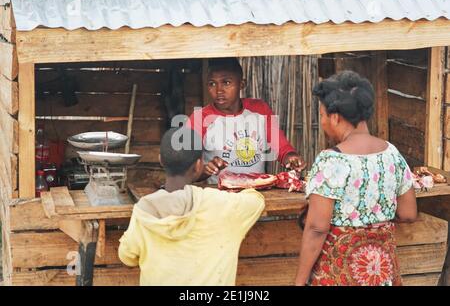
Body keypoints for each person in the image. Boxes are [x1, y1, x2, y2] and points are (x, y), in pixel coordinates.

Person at [295, 71, 417, 286]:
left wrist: (299, 281)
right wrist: (371, 225)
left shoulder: (331, 161)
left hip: (339, 273)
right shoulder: (393, 154)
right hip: (381, 272)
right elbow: (408, 213)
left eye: (322, 115)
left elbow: (317, 228)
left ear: (335, 117)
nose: (322, 121)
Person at [118, 127, 265, 286]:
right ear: (198, 165)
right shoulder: (221, 205)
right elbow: (257, 201)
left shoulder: (144, 209)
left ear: (161, 160)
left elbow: (127, 257)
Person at [187, 57, 306, 183]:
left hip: (258, 194)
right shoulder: (200, 118)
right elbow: (185, 171)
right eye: (212, 84)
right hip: (220, 197)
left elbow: (280, 147)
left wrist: (290, 157)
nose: (219, 90)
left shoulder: (260, 109)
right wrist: (204, 170)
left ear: (242, 84)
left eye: (226, 82)